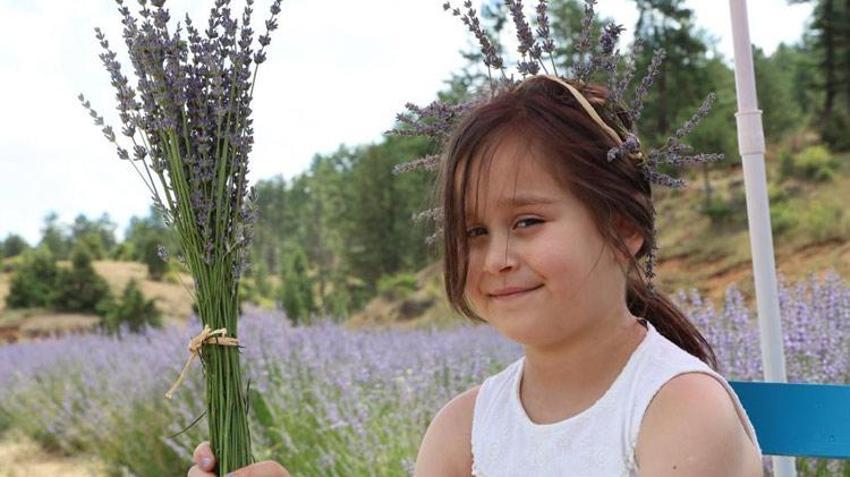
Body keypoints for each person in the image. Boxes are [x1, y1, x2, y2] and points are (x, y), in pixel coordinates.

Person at [189, 2, 764, 476]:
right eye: (474, 232)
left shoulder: (677, 410)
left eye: (528, 222)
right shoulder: (464, 431)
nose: (497, 259)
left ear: (624, 228)